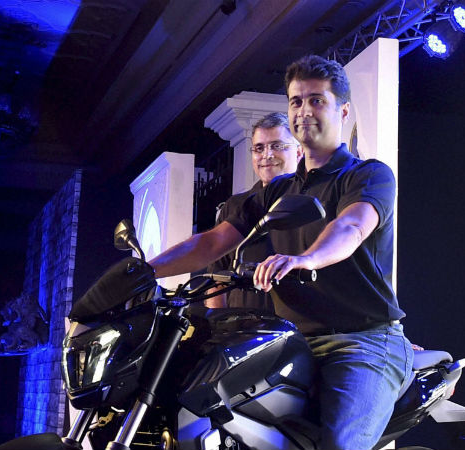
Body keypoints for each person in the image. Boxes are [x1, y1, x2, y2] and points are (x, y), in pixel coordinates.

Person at [150, 54, 413, 450]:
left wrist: (306, 259)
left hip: (361, 340)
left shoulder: (367, 175)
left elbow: (351, 226)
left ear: (342, 110)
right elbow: (212, 242)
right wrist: (143, 271)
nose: (304, 110)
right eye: (296, 101)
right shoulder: (278, 191)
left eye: (316, 100)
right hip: (291, 341)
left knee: (340, 444)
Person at [205, 112, 302, 310]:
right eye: (259, 148)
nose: (266, 155)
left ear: (299, 152)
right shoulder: (235, 206)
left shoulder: (311, 200)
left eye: (277, 146)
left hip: (298, 325)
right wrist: (215, 323)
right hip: (242, 324)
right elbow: (217, 278)